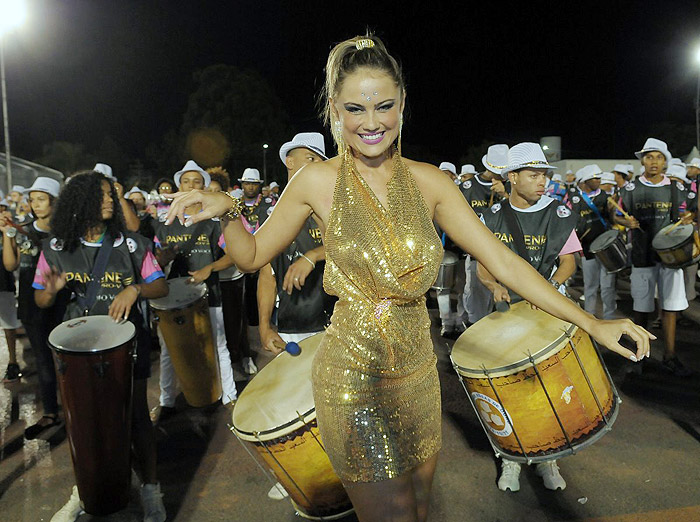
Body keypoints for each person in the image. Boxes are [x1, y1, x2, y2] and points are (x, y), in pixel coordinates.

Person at [165, 35, 652, 522]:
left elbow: (505, 263)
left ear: (402, 104)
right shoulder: (314, 181)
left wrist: (593, 323)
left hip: (417, 373)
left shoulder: (432, 183)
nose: (372, 122)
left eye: (384, 106)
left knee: (417, 513)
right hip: (351, 377)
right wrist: (229, 211)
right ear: (335, 109)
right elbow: (251, 257)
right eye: (356, 108)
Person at [33, 171, 168, 522]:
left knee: (136, 418)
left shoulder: (133, 244)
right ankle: (84, 492)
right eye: (104, 195)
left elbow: (160, 286)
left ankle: (151, 490)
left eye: (111, 194)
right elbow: (42, 299)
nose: (111, 200)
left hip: (127, 345)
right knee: (84, 424)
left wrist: (135, 288)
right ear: (82, 201)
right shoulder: (57, 247)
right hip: (78, 352)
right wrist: (51, 289)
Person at [476, 143, 582, 492]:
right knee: (511, 388)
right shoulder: (491, 217)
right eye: (534, 175)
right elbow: (483, 268)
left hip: (547, 311)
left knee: (549, 387)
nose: (542, 182)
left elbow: (568, 262)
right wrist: (493, 286)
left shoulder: (558, 213)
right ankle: (512, 460)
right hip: (506, 315)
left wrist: (549, 288)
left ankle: (548, 459)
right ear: (512, 177)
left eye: (545, 175)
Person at [259, 131, 332, 500]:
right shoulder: (274, 214)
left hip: (331, 322)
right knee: (292, 404)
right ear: (289, 160)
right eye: (308, 158)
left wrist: (312, 255)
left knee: (332, 403)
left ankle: (337, 473)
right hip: (291, 325)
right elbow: (267, 273)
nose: (315, 166)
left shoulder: (330, 205)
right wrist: (264, 325)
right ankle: (298, 471)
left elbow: (350, 245)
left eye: (320, 160)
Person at [152, 160, 238, 423]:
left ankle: (229, 396)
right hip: (171, 300)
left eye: (197, 182)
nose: (191, 186)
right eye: (186, 181)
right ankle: (166, 401)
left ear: (203, 187)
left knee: (218, 345)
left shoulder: (213, 222)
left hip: (208, 293)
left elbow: (234, 254)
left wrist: (210, 268)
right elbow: (154, 260)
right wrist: (162, 258)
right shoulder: (164, 222)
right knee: (169, 350)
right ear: (179, 185)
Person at [615, 138, 695, 377]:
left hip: (671, 258)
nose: (654, 162)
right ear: (642, 161)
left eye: (659, 157)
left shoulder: (676, 187)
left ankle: (670, 356)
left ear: (665, 162)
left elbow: (691, 210)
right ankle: (639, 356)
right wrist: (624, 221)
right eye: (649, 157)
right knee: (641, 309)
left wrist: (690, 217)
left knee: (670, 308)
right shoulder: (630, 189)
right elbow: (616, 215)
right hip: (642, 256)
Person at [1, 177, 67, 437]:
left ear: (54, 201)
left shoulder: (64, 232)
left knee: (66, 360)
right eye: (32, 199)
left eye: (41, 199)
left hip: (62, 303)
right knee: (42, 360)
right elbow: (10, 265)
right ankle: (51, 412)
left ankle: (76, 408)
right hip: (31, 303)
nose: (35, 204)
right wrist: (7, 235)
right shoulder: (22, 228)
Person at [206, 166, 257, 375]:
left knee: (238, 321)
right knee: (219, 328)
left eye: (216, 191)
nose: (211, 196)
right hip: (212, 281)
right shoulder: (199, 217)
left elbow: (237, 252)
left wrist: (212, 266)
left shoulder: (232, 216)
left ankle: (244, 356)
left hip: (232, 277)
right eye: (207, 191)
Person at [460, 144, 509, 325]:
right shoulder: (467, 186)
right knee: (475, 297)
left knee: (503, 302)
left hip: (505, 251)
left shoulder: (510, 186)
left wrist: (504, 195)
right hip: (476, 251)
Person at [569, 164, 617, 320]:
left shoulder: (605, 196)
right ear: (585, 180)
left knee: (608, 286)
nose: (599, 180)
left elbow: (612, 219)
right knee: (590, 286)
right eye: (595, 178)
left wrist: (612, 211)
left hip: (605, 248)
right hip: (587, 248)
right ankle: (590, 319)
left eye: (599, 177)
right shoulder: (573, 198)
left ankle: (609, 318)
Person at [238, 168, 275, 328]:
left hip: (263, 251)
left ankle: (263, 321)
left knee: (264, 286)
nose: (250, 187)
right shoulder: (235, 205)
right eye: (247, 183)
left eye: (253, 184)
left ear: (259, 186)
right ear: (242, 185)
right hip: (240, 253)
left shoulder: (269, 203)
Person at [0, 201, 22, 383]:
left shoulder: (9, 227)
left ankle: (13, 362)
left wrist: (8, 231)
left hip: (3, 282)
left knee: (9, 324)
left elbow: (13, 259)